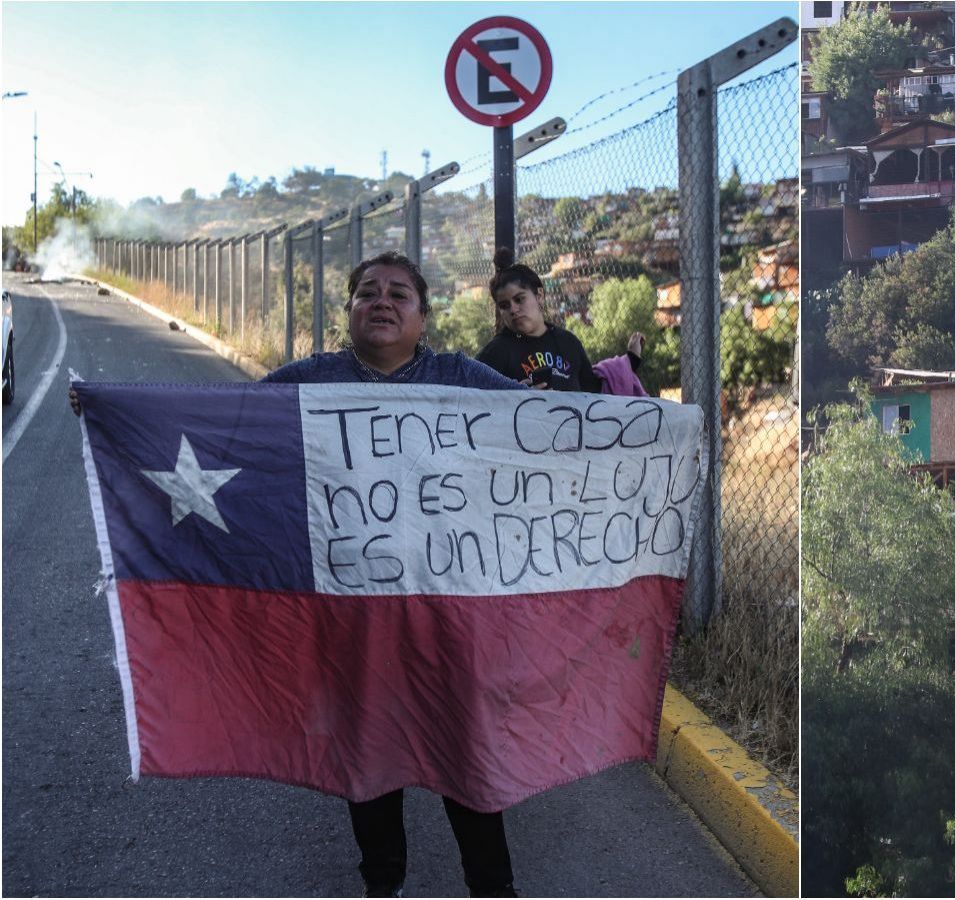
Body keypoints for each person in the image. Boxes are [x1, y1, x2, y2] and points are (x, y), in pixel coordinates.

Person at [71, 251, 525, 898]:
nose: (383, 301)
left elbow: (549, 425)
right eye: (367, 292)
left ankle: (493, 886)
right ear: (348, 311)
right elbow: (225, 430)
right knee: (368, 749)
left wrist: (640, 417)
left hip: (444, 605)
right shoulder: (310, 378)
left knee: (466, 751)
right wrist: (114, 409)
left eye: (400, 293)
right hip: (349, 609)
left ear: (424, 317)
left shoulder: (458, 377)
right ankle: (382, 882)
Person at [475, 248, 601, 392]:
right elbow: (471, 400)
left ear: (539, 295)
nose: (513, 310)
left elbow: (594, 396)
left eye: (519, 299)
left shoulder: (568, 343)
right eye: (504, 306)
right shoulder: (496, 353)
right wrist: (516, 399)